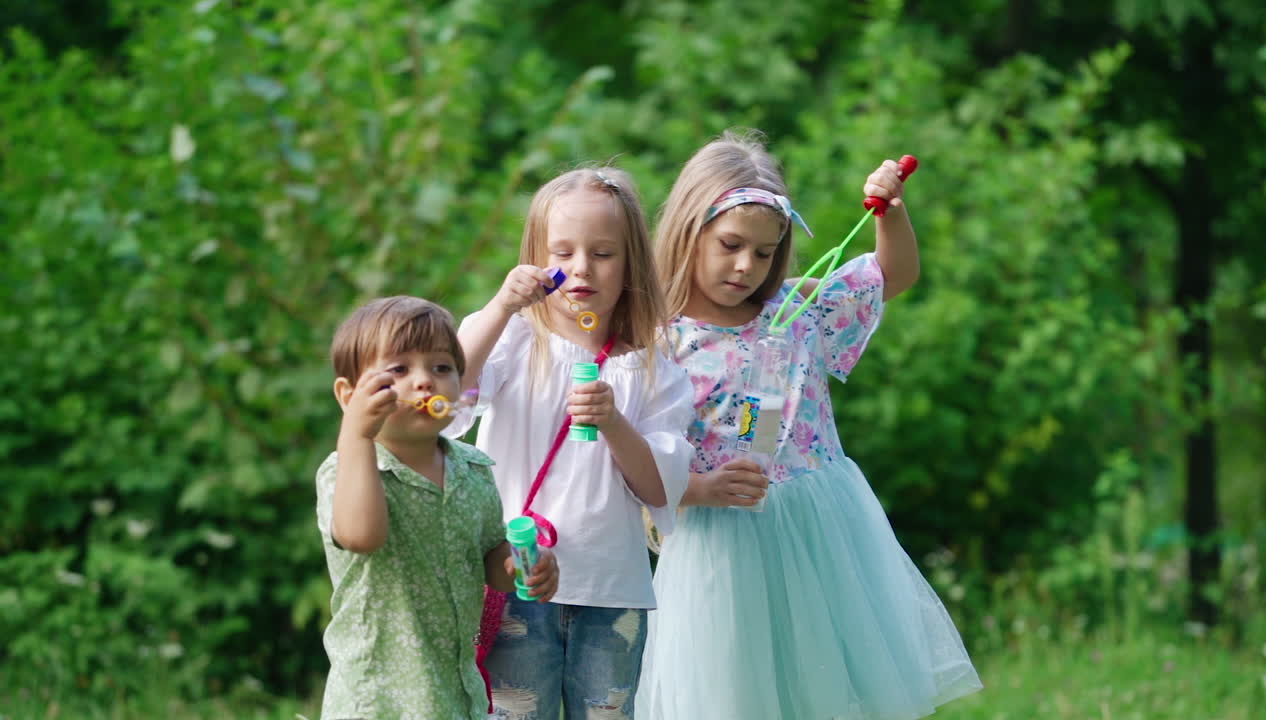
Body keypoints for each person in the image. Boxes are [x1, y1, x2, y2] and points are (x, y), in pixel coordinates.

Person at [637, 131, 982, 719]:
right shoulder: (658, 343)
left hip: (819, 533)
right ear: (688, 231)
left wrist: (890, 214)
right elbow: (636, 462)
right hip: (721, 543)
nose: (747, 265)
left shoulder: (797, 315)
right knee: (735, 692)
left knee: (825, 690)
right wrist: (697, 489)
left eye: (765, 252)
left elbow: (891, 274)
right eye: (730, 244)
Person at [450, 167, 694, 719]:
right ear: (536, 258)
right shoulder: (514, 339)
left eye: (603, 253)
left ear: (632, 262)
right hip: (516, 578)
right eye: (562, 252)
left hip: (612, 591)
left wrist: (614, 423)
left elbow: (660, 486)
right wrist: (500, 307)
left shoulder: (654, 366)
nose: (581, 267)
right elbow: (446, 398)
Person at [316, 295, 558, 719]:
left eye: (441, 368)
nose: (425, 382)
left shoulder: (473, 469)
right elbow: (361, 535)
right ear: (349, 395)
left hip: (456, 692)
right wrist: (355, 434)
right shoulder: (348, 468)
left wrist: (523, 565)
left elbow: (488, 556)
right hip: (378, 698)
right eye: (399, 369)